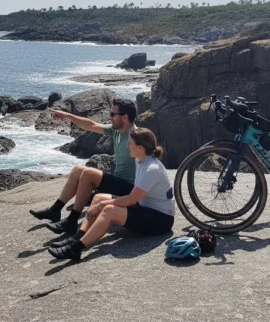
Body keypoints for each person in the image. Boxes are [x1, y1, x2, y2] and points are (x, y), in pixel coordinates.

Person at [48, 127, 175, 261]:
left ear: (140, 147)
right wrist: (101, 202)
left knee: (109, 210)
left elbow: (131, 200)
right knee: (98, 198)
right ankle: (78, 237)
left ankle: (76, 249)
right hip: (145, 207)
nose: (127, 146)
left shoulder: (151, 169)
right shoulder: (140, 160)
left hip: (160, 220)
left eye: (130, 143)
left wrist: (103, 204)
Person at [29, 98, 138, 235]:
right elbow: (91, 125)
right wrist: (67, 116)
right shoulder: (116, 131)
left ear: (125, 117)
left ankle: (71, 221)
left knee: (88, 174)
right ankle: (55, 210)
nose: (109, 117)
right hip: (118, 182)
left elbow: (150, 164)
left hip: (129, 188)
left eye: (112, 114)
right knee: (77, 170)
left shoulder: (136, 137)